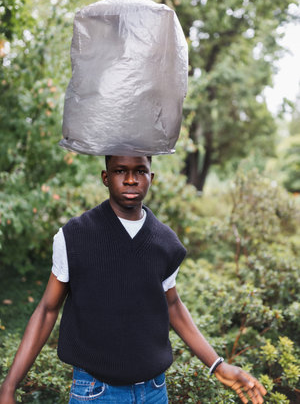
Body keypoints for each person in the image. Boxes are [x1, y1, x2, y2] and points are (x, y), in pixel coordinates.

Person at [0, 156, 267, 404]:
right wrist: (9, 386)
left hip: (154, 391)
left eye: (140, 171)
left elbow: (173, 305)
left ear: (152, 177)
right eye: (120, 171)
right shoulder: (74, 236)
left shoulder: (165, 242)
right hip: (95, 391)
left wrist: (218, 365)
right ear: (106, 177)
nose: (130, 179)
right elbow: (47, 310)